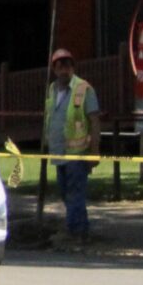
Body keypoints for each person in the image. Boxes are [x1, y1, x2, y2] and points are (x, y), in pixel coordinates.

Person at [43, 49, 102, 243]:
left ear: (73, 68)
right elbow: (51, 117)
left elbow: (94, 120)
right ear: (54, 69)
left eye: (67, 66)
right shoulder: (52, 89)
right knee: (65, 192)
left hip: (77, 154)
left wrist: (94, 151)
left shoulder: (84, 89)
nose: (64, 70)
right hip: (58, 152)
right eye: (60, 66)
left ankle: (74, 231)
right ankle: (80, 229)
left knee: (75, 193)